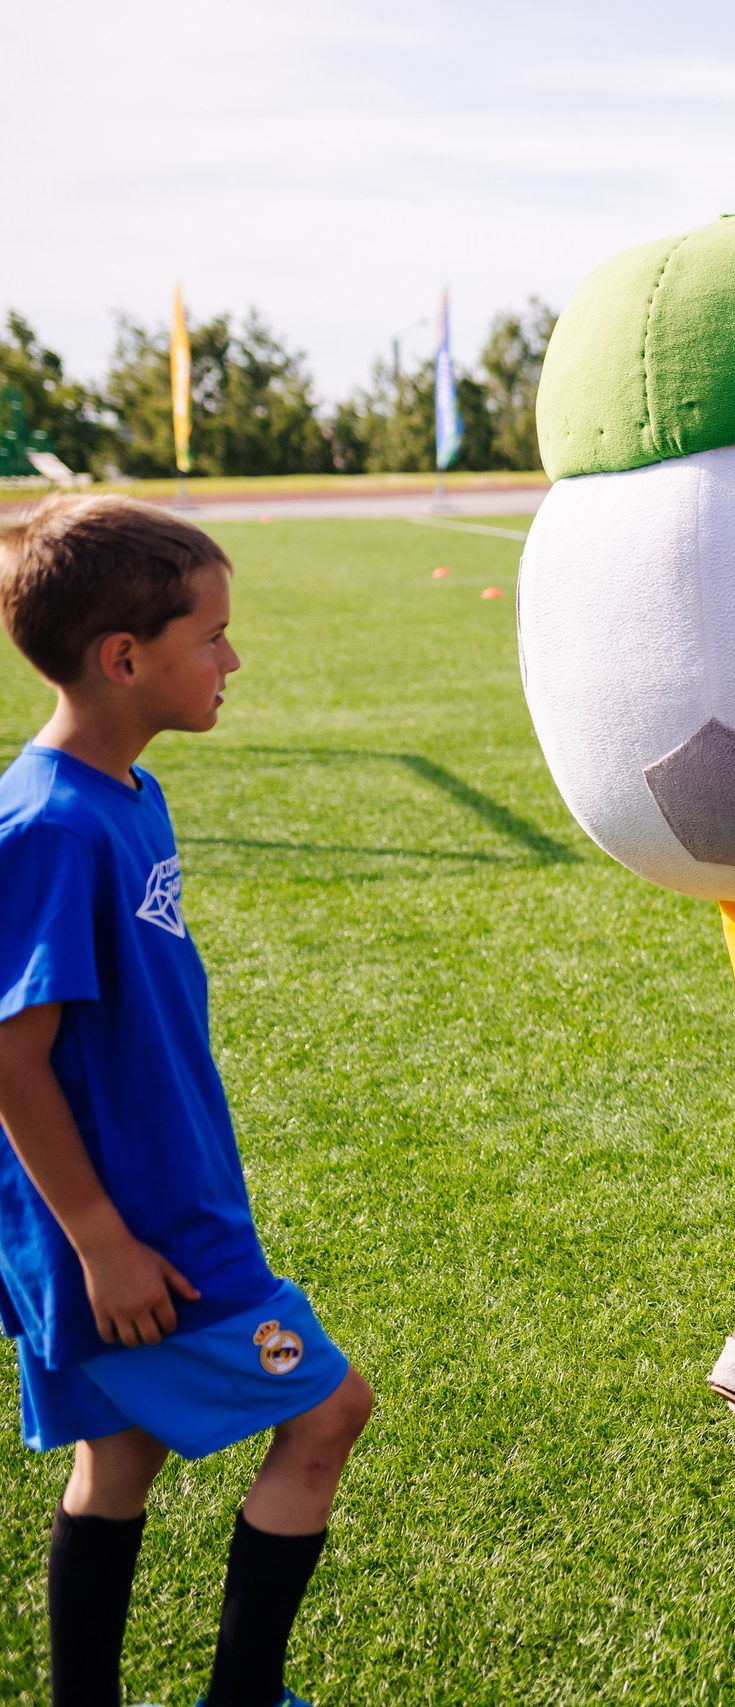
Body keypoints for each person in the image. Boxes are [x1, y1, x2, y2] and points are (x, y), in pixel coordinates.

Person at [0, 496, 375, 1707]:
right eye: (210, 634)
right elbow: (9, 1057)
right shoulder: (52, 824)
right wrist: (105, 1243)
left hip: (149, 1211)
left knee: (122, 1455)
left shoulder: (123, 790)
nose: (231, 658)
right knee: (326, 1411)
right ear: (125, 657)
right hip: (150, 1236)